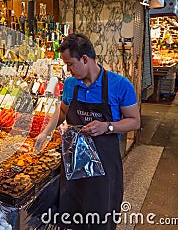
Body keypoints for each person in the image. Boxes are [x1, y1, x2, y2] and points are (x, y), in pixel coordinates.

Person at [36, 33, 140, 230]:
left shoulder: (120, 85)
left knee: (101, 215)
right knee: (72, 213)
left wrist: (107, 126)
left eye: (70, 64)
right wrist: (45, 132)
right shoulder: (70, 84)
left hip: (104, 164)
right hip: (74, 163)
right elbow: (63, 112)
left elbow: (134, 122)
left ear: (85, 59)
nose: (68, 70)